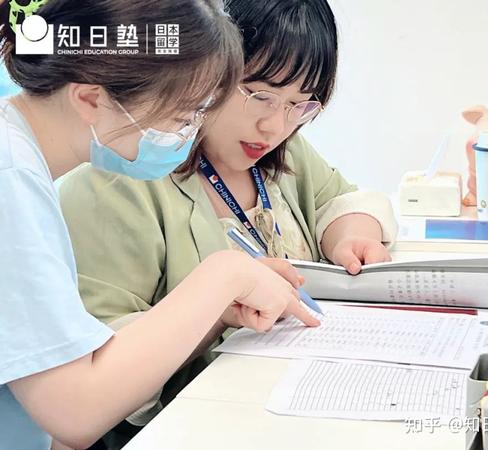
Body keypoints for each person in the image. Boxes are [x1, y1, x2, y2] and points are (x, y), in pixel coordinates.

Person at [58, 0, 397, 446]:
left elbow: (340, 200)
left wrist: (352, 233)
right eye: (259, 95)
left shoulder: (282, 154)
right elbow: (97, 375)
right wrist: (214, 310)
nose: (274, 125)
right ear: (206, 69)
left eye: (300, 105)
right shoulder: (122, 175)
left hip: (292, 405)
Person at [0, 1, 319, 449]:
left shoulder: (18, 158)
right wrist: (226, 274)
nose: (189, 134)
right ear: (91, 99)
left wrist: (214, 309)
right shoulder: (10, 178)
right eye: (183, 117)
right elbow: (73, 411)